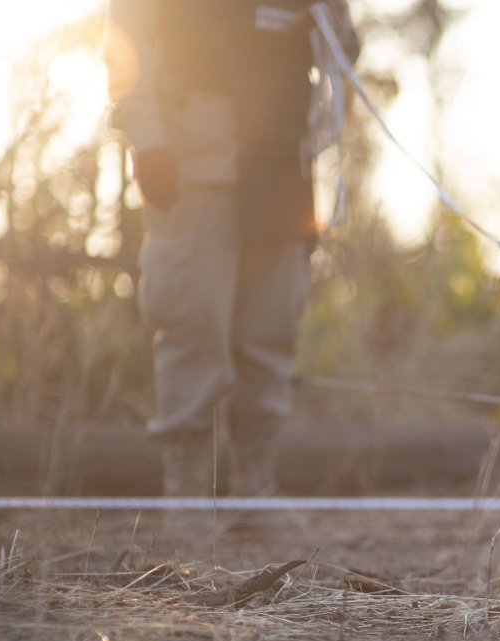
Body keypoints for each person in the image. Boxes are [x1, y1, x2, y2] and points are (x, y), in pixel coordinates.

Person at [103, 1, 357, 529]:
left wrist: (332, 26)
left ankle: (254, 494)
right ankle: (188, 498)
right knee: (191, 319)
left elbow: (344, 42)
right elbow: (127, 28)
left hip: (285, 155)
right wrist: (147, 135)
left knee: (272, 327)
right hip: (195, 149)